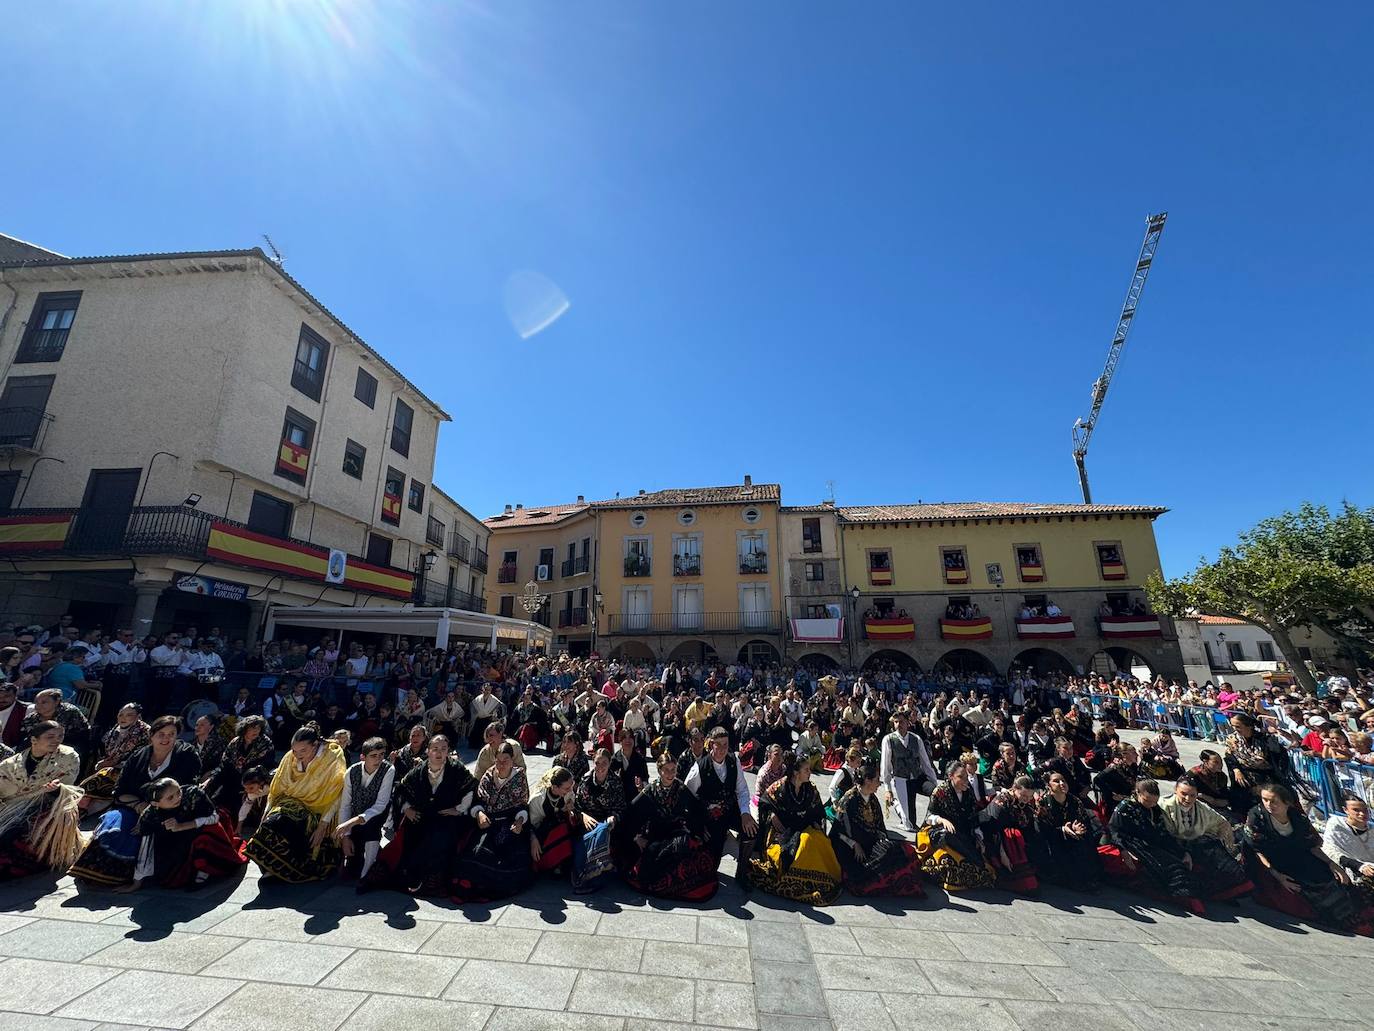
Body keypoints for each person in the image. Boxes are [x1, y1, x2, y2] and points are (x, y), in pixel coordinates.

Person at [70, 716, 200, 887]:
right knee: (113, 822)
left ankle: (132, 875)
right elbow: (120, 790)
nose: (166, 738)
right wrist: (139, 806)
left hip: (170, 810)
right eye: (161, 734)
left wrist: (154, 807)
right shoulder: (139, 756)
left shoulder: (186, 754)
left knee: (145, 830)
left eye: (171, 734)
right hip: (133, 806)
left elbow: (187, 788)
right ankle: (98, 872)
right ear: (151, 735)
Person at [1244, 783, 1367, 932]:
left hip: (1296, 855)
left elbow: (1312, 846)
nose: (1269, 805)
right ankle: (1334, 917)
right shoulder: (1257, 816)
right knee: (1306, 888)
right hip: (1270, 860)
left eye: (1274, 801)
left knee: (1331, 878)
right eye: (1265, 800)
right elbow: (1256, 850)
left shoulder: (1298, 818)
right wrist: (1277, 875)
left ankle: (1352, 916)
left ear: (1286, 802)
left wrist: (1332, 864)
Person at [366, 734, 475, 895]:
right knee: (410, 840)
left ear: (448, 751)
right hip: (422, 816)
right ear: (428, 751)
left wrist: (459, 809)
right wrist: (407, 808)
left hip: (446, 818)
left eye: (443, 749)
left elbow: (471, 788)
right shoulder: (419, 771)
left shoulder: (457, 769)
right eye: (435, 749)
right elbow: (400, 790)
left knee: (441, 839)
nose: (439, 753)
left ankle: (433, 879)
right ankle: (407, 875)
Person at [244, 723, 347, 883]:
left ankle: (290, 869)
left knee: (290, 826)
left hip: (318, 809)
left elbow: (336, 794)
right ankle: (271, 868)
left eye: (303, 751)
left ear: (315, 745)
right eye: (294, 750)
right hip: (289, 803)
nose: (297, 755)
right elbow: (276, 789)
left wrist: (322, 826)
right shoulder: (289, 757)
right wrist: (266, 813)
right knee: (271, 824)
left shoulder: (332, 756)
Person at [615, 750, 718, 901]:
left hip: (675, 832)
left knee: (686, 851)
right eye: (666, 770)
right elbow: (631, 812)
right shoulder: (650, 790)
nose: (670, 774)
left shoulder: (680, 788)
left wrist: (698, 830)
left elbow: (697, 808)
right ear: (659, 771)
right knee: (648, 866)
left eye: (673, 770)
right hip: (655, 834)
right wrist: (636, 837)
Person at [749, 750, 842, 905]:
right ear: (796, 772)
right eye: (806, 770)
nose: (810, 772)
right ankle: (799, 877)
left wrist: (817, 823)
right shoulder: (779, 787)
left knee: (819, 840)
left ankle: (825, 876)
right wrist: (772, 815)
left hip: (805, 827)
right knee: (802, 846)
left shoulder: (810, 789)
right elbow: (764, 803)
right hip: (783, 831)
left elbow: (818, 811)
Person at [123, 777, 244, 891]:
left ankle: (205, 869)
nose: (178, 798)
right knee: (169, 877)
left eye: (178, 792)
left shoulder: (193, 794)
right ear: (156, 803)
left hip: (205, 827)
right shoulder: (151, 815)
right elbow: (146, 847)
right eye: (170, 797)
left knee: (205, 838)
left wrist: (182, 826)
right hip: (178, 839)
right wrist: (137, 882)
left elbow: (214, 818)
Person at [1105, 779, 1207, 912]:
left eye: (1154, 801)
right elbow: (1114, 830)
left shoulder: (1154, 809)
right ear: (1137, 793)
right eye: (1147, 800)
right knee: (1164, 866)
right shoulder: (1125, 807)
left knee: (1179, 862)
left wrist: (1183, 852)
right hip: (1132, 843)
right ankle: (1180, 896)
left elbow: (1163, 834)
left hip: (1151, 844)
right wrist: (1123, 850)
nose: (1151, 804)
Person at [0, 720, 84, 878]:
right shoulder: (11, 764)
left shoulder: (68, 756)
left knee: (12, 833)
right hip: (11, 808)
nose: (56, 740)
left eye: (60, 736)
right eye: (50, 736)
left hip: (50, 806)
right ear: (34, 740)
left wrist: (57, 789)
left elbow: (68, 786)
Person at [829, 760, 926, 896]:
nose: (879, 784)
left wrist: (882, 840)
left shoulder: (872, 799)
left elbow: (879, 826)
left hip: (870, 842)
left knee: (901, 850)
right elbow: (837, 830)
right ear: (868, 781)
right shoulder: (849, 799)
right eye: (877, 780)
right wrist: (854, 844)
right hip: (849, 847)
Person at [452, 741, 533, 901]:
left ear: (512, 760)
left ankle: (486, 887)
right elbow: (478, 800)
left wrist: (520, 821)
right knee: (477, 846)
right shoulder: (488, 775)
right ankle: (467, 881)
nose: (501, 764)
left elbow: (522, 804)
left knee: (502, 851)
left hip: (509, 822)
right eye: (499, 760)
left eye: (506, 760)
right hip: (488, 820)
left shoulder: (519, 777)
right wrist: (480, 814)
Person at [683, 727, 757, 889]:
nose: (723, 749)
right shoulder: (700, 767)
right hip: (711, 816)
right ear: (711, 745)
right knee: (712, 865)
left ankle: (742, 872)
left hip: (730, 810)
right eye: (718, 745)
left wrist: (745, 813)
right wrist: (698, 824)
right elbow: (687, 796)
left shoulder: (733, 761)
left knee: (751, 830)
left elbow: (742, 790)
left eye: (726, 744)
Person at [1159, 775, 1252, 900]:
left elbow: (1221, 823)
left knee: (1233, 871)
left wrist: (1226, 842)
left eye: (1192, 795)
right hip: (1172, 845)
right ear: (1176, 790)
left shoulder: (1201, 808)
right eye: (1183, 794)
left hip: (1198, 844)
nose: (1188, 799)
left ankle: (1220, 893)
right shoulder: (1163, 805)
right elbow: (1162, 834)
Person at [917, 760, 996, 891]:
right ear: (951, 776)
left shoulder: (968, 792)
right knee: (947, 835)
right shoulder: (940, 791)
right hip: (940, 832)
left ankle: (975, 858)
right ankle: (973, 858)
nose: (965, 780)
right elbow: (929, 816)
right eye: (961, 777)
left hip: (961, 833)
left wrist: (978, 836)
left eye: (966, 777)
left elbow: (973, 816)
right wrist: (942, 820)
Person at [333, 737, 395, 882]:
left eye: (381, 755)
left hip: (377, 813)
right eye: (373, 756)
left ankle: (367, 873)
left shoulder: (388, 770)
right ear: (363, 757)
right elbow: (346, 804)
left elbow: (380, 804)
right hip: (356, 813)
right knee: (353, 856)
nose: (378, 759)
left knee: (370, 829)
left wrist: (351, 822)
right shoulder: (351, 772)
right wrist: (346, 836)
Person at [1035, 770, 1102, 890]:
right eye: (1056, 781)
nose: (1061, 783)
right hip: (1052, 838)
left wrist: (1078, 828)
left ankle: (1088, 879)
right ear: (1049, 786)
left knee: (1086, 843)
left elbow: (1083, 820)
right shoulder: (1043, 802)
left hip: (1072, 835)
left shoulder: (1075, 801)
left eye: (1063, 781)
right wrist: (1062, 830)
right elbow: (1042, 828)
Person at [572, 748, 626, 892]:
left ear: (609, 764)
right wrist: (583, 816)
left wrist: (613, 817)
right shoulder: (585, 779)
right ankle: (581, 876)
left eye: (604, 763)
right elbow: (576, 806)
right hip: (587, 820)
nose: (601, 767)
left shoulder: (615, 782)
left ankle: (592, 875)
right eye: (597, 763)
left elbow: (621, 807)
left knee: (602, 830)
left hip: (606, 822)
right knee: (582, 841)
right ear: (593, 763)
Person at [78, 703, 150, 812]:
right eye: (121, 714)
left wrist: (112, 764)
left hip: (130, 769)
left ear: (138, 717)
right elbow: (104, 747)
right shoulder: (116, 729)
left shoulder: (145, 732)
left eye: (129, 715)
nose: (123, 718)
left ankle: (85, 806)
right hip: (109, 764)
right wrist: (104, 761)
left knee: (103, 776)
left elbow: (139, 757)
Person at [979, 775, 1041, 893]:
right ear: (1014, 789)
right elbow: (994, 829)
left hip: (1014, 841)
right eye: (1023, 795)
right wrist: (1003, 854)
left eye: (1029, 796)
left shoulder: (1026, 804)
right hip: (993, 835)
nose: (1026, 799)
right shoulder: (1001, 802)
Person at [879, 712, 938, 833]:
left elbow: (925, 762)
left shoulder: (916, 739)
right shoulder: (889, 740)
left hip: (918, 777)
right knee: (909, 824)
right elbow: (885, 766)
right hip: (901, 780)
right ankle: (896, 804)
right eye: (896, 722)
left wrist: (933, 781)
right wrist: (887, 788)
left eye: (901, 721)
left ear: (907, 723)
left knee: (936, 794)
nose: (898, 724)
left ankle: (929, 820)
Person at [1224, 712, 1290, 813]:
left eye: (1238, 726)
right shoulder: (1232, 739)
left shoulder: (1265, 739)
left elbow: (1279, 758)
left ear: (1249, 726)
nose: (1235, 729)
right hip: (1243, 774)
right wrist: (1236, 769)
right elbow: (1229, 756)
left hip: (1266, 775)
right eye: (1233, 726)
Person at [1322, 795, 1374, 908]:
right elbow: (1330, 850)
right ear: (1346, 810)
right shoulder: (1336, 825)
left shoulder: (1372, 832)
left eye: (1365, 810)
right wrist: (1359, 866)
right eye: (1356, 810)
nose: (1362, 814)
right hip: (1351, 871)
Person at [529, 766, 578, 877]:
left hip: (558, 825)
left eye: (572, 786)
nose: (570, 790)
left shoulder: (567, 792)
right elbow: (531, 824)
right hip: (542, 830)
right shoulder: (538, 800)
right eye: (566, 788)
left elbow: (571, 799)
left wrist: (570, 808)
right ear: (555, 787)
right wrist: (533, 839)